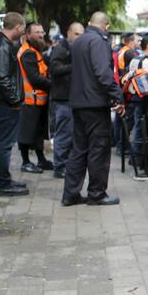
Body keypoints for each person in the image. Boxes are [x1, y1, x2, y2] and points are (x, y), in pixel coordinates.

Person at [62, 11, 124, 206]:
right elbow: (103, 73)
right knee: (98, 150)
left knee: (79, 149)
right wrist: (117, 95)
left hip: (79, 103)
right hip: (95, 105)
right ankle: (96, 193)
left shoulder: (79, 41)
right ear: (106, 25)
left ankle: (70, 194)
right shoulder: (99, 42)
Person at [0, 12, 28, 196]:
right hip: (6, 104)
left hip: (4, 103)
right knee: (4, 143)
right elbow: (2, 79)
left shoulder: (1, 44)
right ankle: (2, 182)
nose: (23, 32)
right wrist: (15, 100)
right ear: (17, 27)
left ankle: (3, 179)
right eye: (23, 28)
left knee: (3, 141)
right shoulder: (2, 46)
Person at [17, 22, 53, 173]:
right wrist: (54, 84)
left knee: (38, 131)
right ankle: (25, 162)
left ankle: (41, 159)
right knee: (27, 133)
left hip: (38, 100)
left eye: (42, 32)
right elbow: (35, 78)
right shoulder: (28, 53)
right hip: (30, 100)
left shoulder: (34, 50)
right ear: (28, 35)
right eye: (37, 32)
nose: (40, 35)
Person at [49, 22, 83, 178]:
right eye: (76, 34)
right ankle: (60, 167)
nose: (79, 37)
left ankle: (65, 165)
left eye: (81, 34)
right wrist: (74, 66)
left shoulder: (75, 48)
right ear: (68, 33)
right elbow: (54, 69)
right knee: (63, 134)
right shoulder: (61, 48)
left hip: (72, 98)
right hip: (63, 99)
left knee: (71, 134)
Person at [125, 37, 148, 174]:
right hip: (142, 97)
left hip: (133, 96)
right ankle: (138, 157)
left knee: (137, 125)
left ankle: (134, 156)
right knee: (141, 127)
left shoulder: (135, 59)